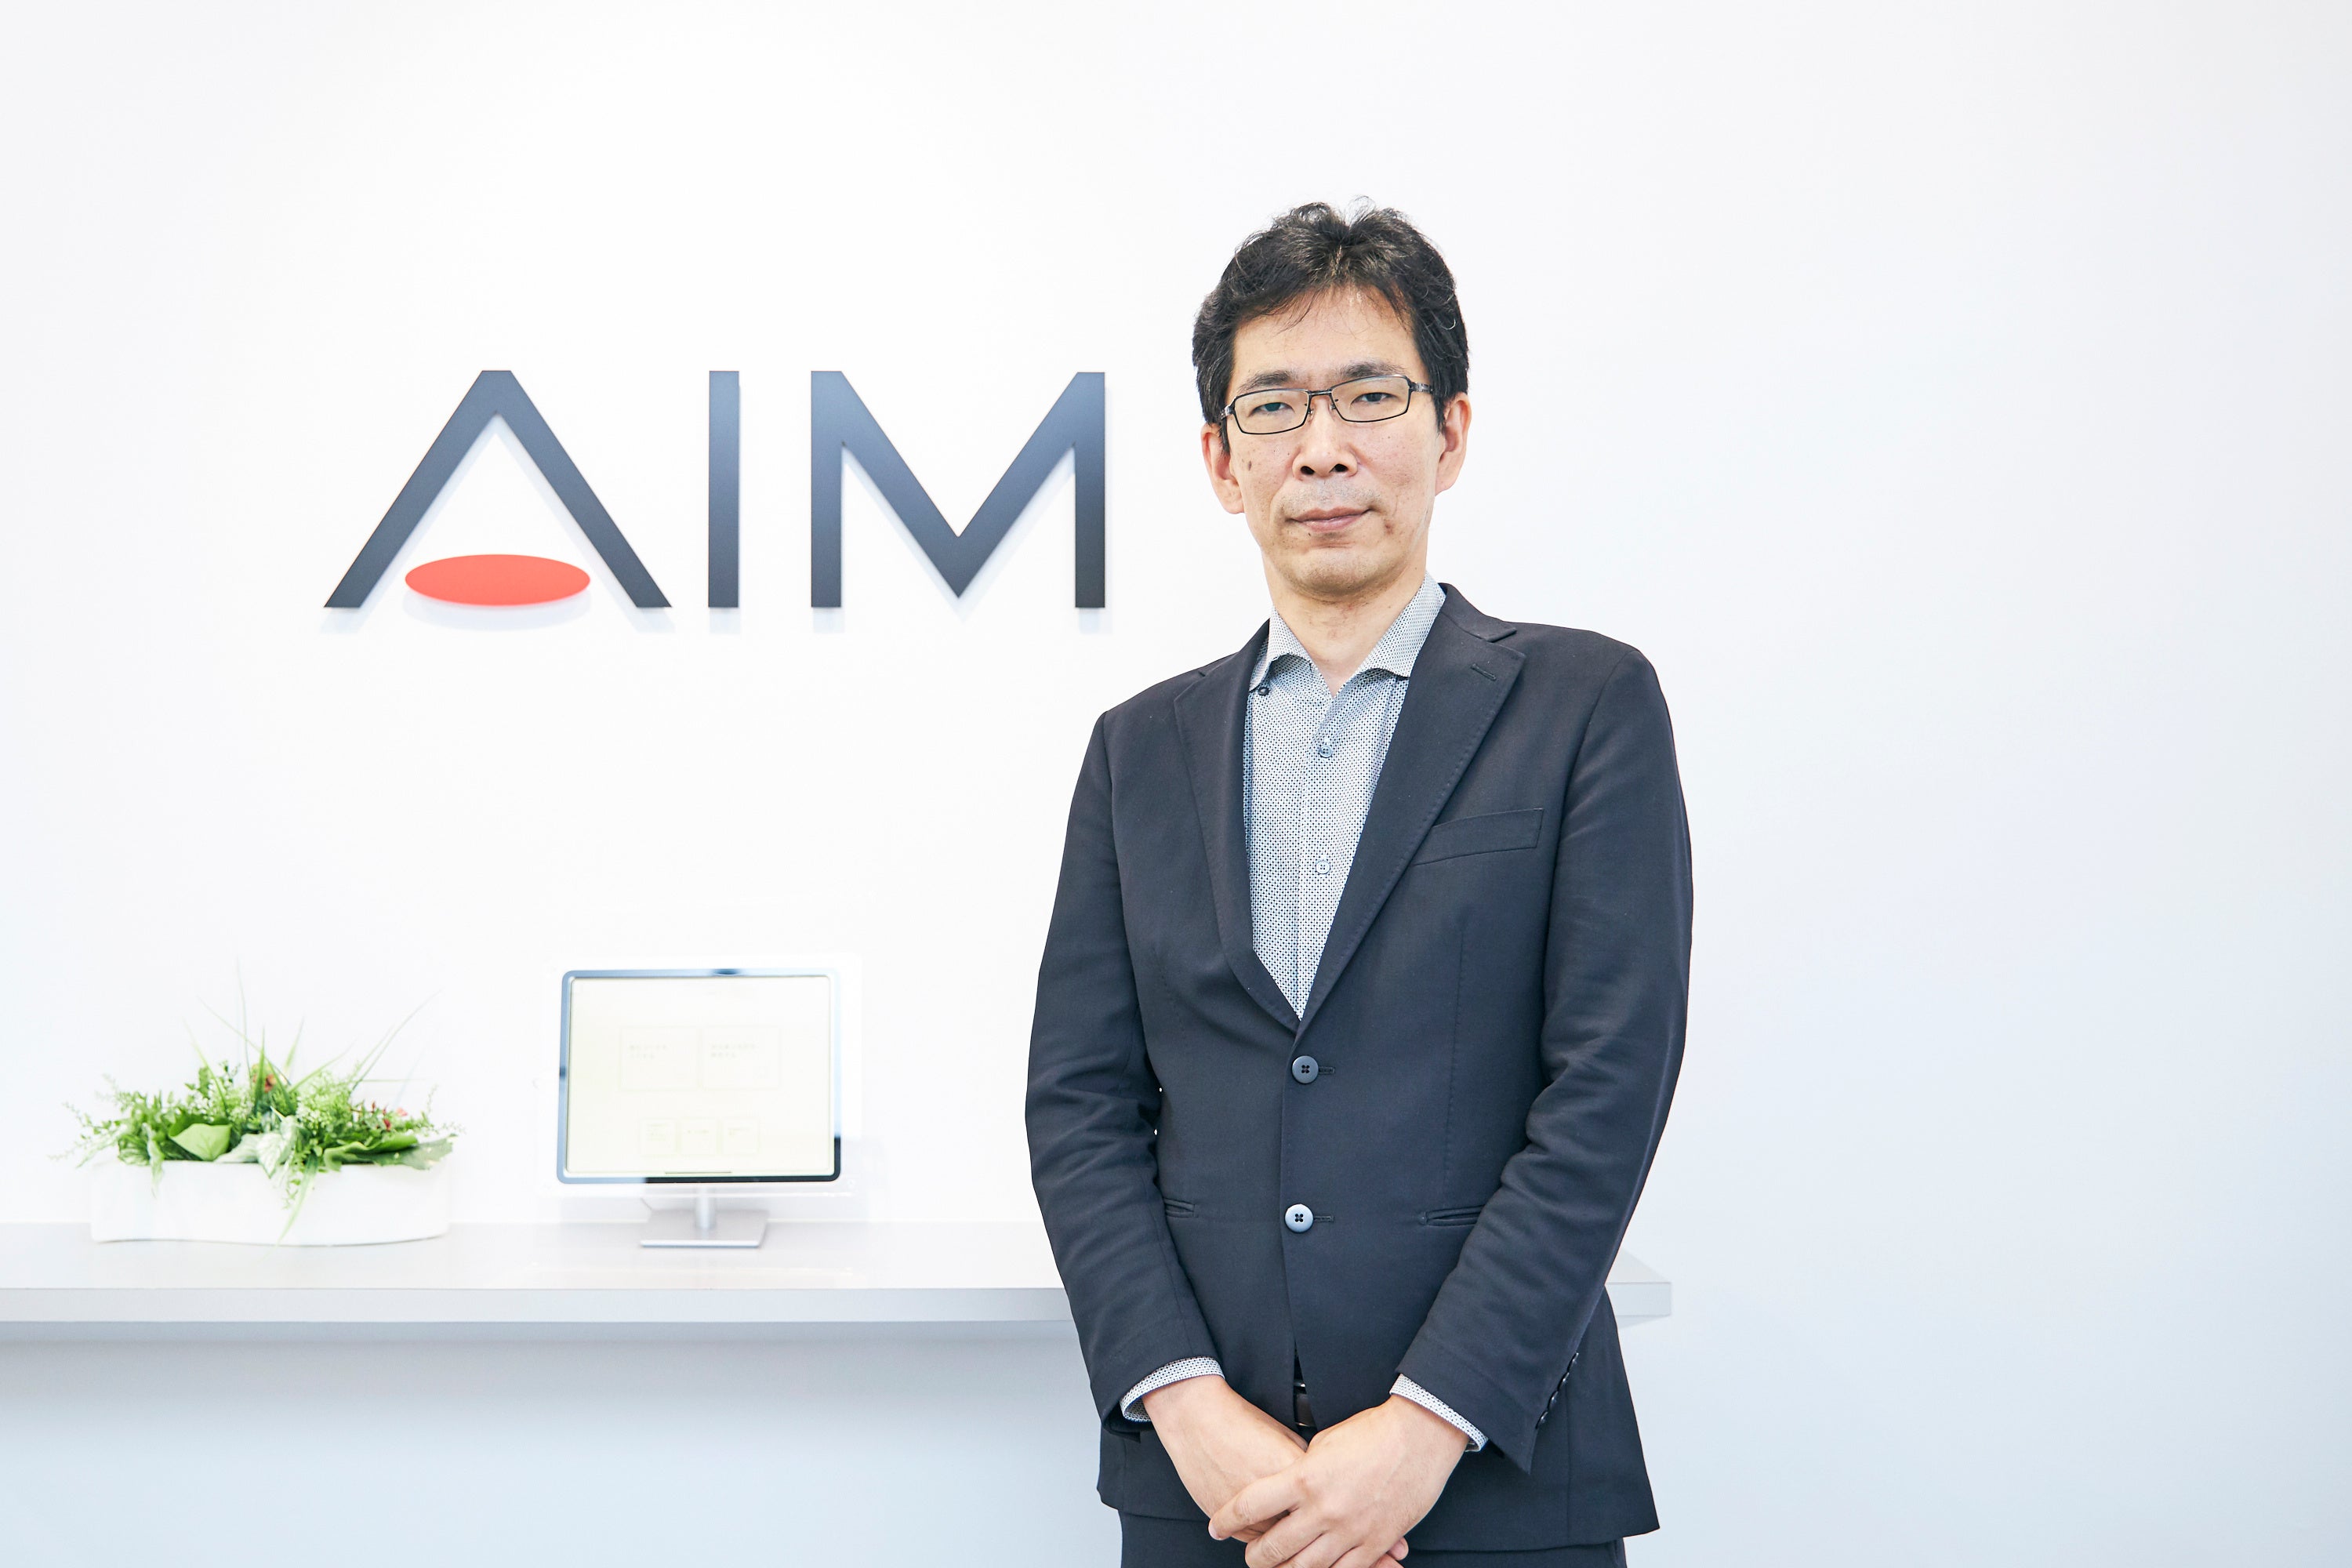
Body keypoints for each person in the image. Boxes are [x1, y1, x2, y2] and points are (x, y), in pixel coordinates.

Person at [1026, 201, 1692, 1568]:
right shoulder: (1136, 750)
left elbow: (1607, 1094)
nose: (1321, 447)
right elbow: (1081, 1108)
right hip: (1217, 1495)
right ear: (1222, 462)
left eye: (1369, 395)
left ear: (1450, 432)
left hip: (1497, 1476)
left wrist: (1425, 1427)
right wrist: (1184, 1404)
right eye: (1272, 406)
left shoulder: (1586, 707)